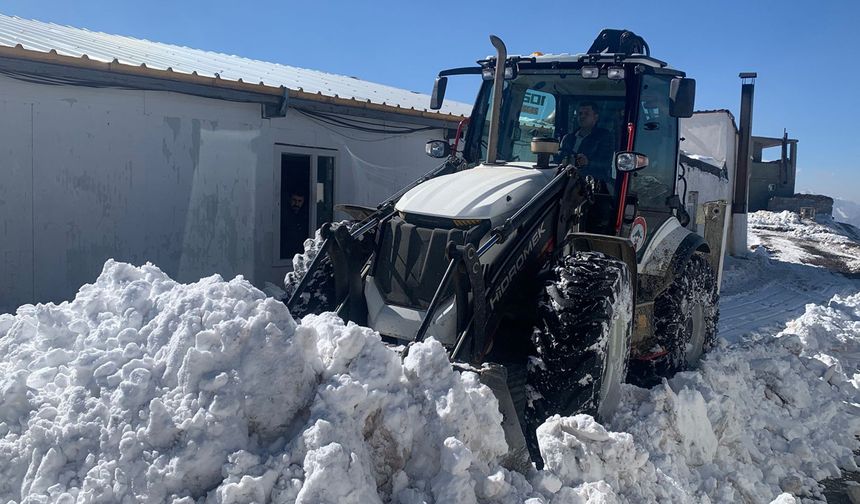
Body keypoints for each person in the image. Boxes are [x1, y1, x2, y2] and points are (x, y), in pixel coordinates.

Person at [559, 101, 614, 185]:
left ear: (596, 117)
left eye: (586, 114)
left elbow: (606, 164)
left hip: (593, 185)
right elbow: (559, 158)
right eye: (580, 113)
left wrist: (588, 162)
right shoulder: (567, 138)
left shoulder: (604, 137)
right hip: (565, 181)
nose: (582, 116)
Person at [282, 191, 309, 258]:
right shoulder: (283, 216)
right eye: (294, 200)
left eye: (299, 201)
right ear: (289, 200)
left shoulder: (306, 217)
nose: (296, 203)